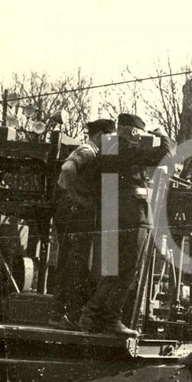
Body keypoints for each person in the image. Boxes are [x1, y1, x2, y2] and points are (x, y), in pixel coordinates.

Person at [79, 112, 175, 336]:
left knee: (113, 271)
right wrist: (164, 136)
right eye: (139, 133)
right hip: (133, 214)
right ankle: (108, 319)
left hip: (111, 212)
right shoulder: (126, 148)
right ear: (132, 131)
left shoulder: (107, 148)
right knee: (129, 270)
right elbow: (164, 155)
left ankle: (91, 316)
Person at [48, 118, 116, 329]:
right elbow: (67, 170)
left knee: (72, 263)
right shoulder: (88, 150)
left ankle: (60, 313)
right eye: (110, 137)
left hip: (75, 212)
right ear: (99, 136)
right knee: (74, 264)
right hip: (75, 213)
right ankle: (60, 314)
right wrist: (74, 196)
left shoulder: (96, 153)